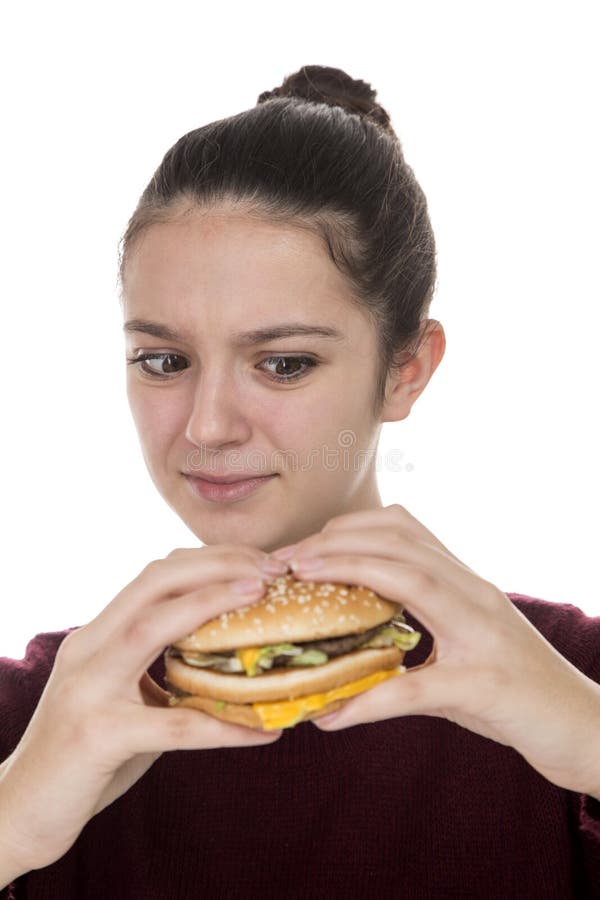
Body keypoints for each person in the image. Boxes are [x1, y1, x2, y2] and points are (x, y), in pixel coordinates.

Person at [1, 64, 599, 899]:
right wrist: (14, 817)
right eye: (163, 360)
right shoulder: (33, 717)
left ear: (405, 371)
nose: (208, 426)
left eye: (283, 363)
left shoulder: (574, 681)